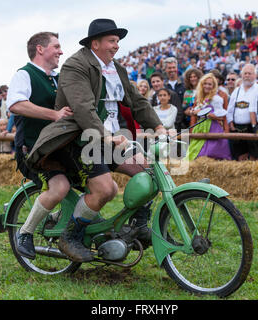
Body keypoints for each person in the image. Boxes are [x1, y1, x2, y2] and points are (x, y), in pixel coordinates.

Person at [24, 19, 167, 262]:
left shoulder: (116, 68)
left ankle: (138, 224)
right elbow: (82, 108)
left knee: (151, 171)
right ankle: (71, 236)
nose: (116, 46)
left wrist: (159, 126)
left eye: (118, 42)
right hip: (81, 139)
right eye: (112, 41)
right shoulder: (75, 66)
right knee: (105, 189)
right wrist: (106, 136)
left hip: (111, 139)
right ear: (96, 43)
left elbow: (136, 99)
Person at [6, 31, 73, 260]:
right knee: (60, 187)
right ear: (40, 49)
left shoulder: (56, 78)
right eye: (56, 46)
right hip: (34, 150)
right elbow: (16, 104)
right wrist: (54, 115)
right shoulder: (24, 74)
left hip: (61, 148)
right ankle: (25, 233)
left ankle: (59, 220)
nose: (61, 51)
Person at [185, 73, 231, 161]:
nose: (207, 86)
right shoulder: (199, 97)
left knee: (212, 152)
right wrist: (194, 112)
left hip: (213, 127)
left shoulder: (217, 98)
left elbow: (222, 116)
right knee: (196, 151)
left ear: (213, 86)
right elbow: (193, 111)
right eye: (205, 84)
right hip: (200, 127)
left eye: (209, 84)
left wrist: (211, 115)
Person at [227, 64, 258, 161]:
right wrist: (231, 123)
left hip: (252, 127)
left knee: (254, 155)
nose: (247, 75)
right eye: (245, 73)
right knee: (240, 156)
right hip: (237, 127)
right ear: (241, 75)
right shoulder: (236, 91)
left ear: (255, 75)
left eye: (250, 73)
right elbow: (230, 109)